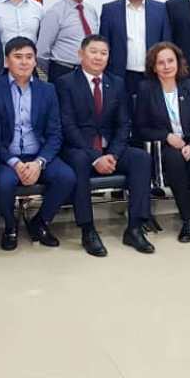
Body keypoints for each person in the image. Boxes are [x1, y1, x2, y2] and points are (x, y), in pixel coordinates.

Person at [55, 35, 156, 256]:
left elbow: (123, 124)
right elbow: (68, 126)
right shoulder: (65, 83)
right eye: (93, 52)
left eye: (103, 53)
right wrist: (95, 157)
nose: (98, 57)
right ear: (81, 54)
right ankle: (88, 230)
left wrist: (113, 154)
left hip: (110, 149)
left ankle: (135, 227)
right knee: (79, 161)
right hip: (80, 148)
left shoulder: (116, 83)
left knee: (141, 158)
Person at [0, 37, 76, 250]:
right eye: (18, 57)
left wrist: (39, 162)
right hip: (6, 157)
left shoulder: (48, 90)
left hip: (38, 154)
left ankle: (40, 222)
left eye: (29, 57)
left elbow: (55, 134)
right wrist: (14, 163)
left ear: (35, 61)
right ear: (6, 61)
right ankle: (10, 225)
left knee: (66, 177)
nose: (24, 62)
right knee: (3, 183)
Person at [134, 42, 190, 242]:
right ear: (154, 67)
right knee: (174, 161)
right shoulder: (146, 89)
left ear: (178, 63)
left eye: (170, 61)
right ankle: (188, 220)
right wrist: (166, 136)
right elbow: (140, 128)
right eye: (160, 62)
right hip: (165, 145)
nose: (166, 66)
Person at [98, 0, 171, 97]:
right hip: (119, 75)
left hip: (152, 74)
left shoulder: (160, 9)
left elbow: (166, 43)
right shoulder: (109, 10)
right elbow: (103, 45)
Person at [37, 0, 99, 80]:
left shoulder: (91, 11)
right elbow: (41, 52)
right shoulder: (54, 12)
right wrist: (56, 71)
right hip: (64, 71)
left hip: (89, 73)